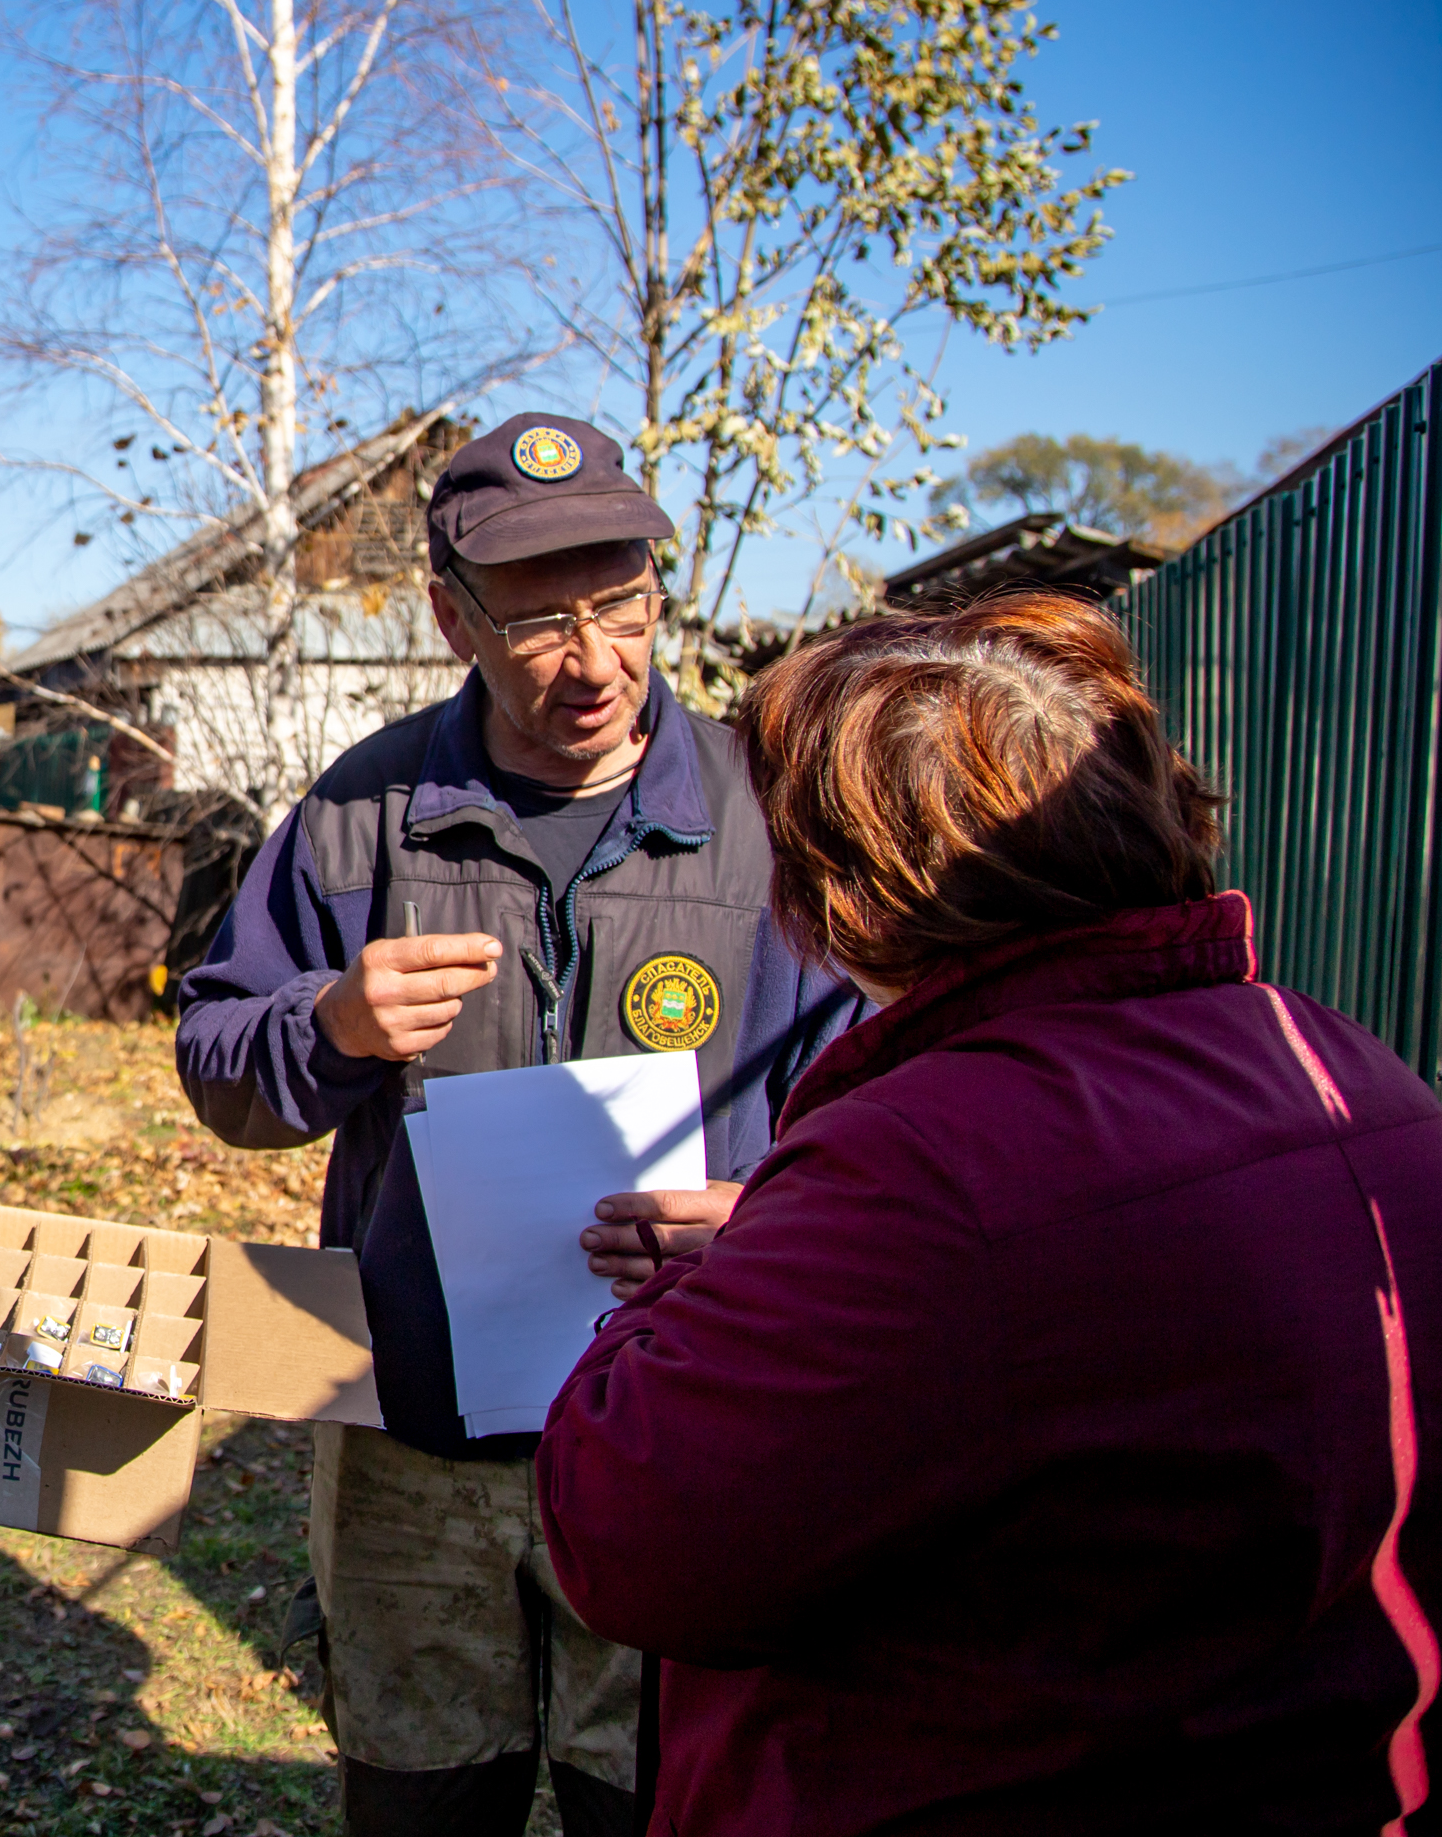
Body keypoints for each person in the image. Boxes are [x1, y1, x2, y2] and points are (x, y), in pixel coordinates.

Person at [537, 593, 1442, 1835]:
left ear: (841, 899)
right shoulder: (1350, 1067)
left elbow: (628, 1531)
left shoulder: (920, 1162)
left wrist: (701, 1287)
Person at [173, 412, 861, 1836]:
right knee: (424, 1807)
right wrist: (330, 1027)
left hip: (684, 1435)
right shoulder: (366, 815)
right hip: (414, 1453)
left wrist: (774, 1217)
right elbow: (218, 1059)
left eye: (622, 604)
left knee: (662, 1806)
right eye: (542, 619)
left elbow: (876, 1105)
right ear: (450, 618)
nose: (595, 660)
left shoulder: (770, 818)